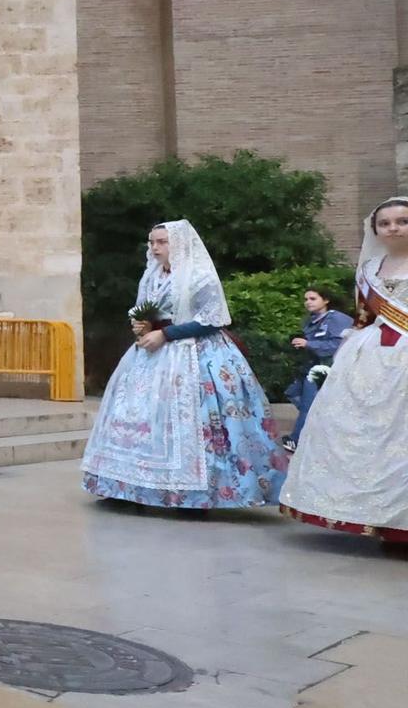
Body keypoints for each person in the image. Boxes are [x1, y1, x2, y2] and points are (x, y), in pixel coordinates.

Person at [80, 220, 287, 510]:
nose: (154, 248)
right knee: (138, 417)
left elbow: (212, 318)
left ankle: (194, 494)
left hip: (194, 352)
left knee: (192, 421)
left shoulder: (200, 276)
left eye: (161, 242)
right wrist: (143, 326)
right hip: (151, 355)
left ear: (178, 244)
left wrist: (165, 333)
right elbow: (147, 309)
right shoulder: (151, 276)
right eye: (151, 242)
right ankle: (131, 487)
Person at [281, 196, 408, 542]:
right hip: (368, 361)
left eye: (402, 221)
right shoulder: (369, 270)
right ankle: (379, 521)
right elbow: (364, 318)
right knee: (370, 439)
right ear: (375, 229)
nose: (393, 228)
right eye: (385, 223)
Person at [283, 287, 354, 450]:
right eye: (306, 299)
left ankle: (297, 440)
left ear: (326, 300)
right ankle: (319, 429)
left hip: (324, 369)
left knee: (308, 405)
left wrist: (309, 344)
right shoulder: (311, 320)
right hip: (309, 366)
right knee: (293, 393)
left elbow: (338, 345)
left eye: (313, 298)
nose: (308, 302)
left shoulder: (337, 319)